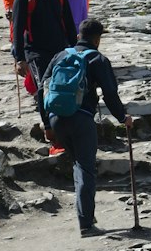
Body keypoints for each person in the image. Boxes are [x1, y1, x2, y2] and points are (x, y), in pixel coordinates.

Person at [46, 18, 133, 235]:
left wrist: (47, 122)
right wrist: (123, 118)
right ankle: (86, 225)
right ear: (97, 39)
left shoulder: (61, 55)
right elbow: (110, 94)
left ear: (78, 36)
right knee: (86, 168)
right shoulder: (97, 58)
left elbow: (43, 87)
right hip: (81, 119)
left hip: (56, 117)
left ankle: (86, 213)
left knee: (78, 164)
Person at [12, 0, 78, 131]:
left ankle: (65, 119)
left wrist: (76, 47)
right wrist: (19, 58)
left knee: (64, 85)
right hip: (36, 52)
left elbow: (69, 23)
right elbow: (17, 30)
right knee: (43, 87)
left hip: (60, 48)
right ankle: (49, 126)